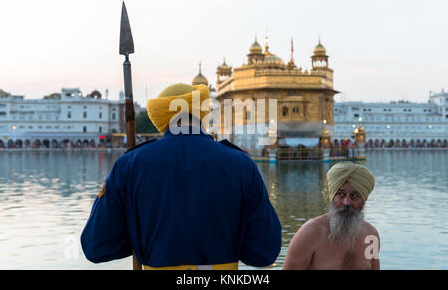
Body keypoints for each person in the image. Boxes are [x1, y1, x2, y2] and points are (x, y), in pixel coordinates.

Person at [81, 83, 281, 270]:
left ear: (162, 117)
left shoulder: (130, 164)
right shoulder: (242, 164)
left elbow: (96, 246)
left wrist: (140, 236)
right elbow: (265, 252)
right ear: (202, 115)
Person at [282, 161, 380, 270]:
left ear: (363, 200)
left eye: (354, 196)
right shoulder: (310, 233)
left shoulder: (371, 236)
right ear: (332, 196)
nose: (346, 202)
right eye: (341, 194)